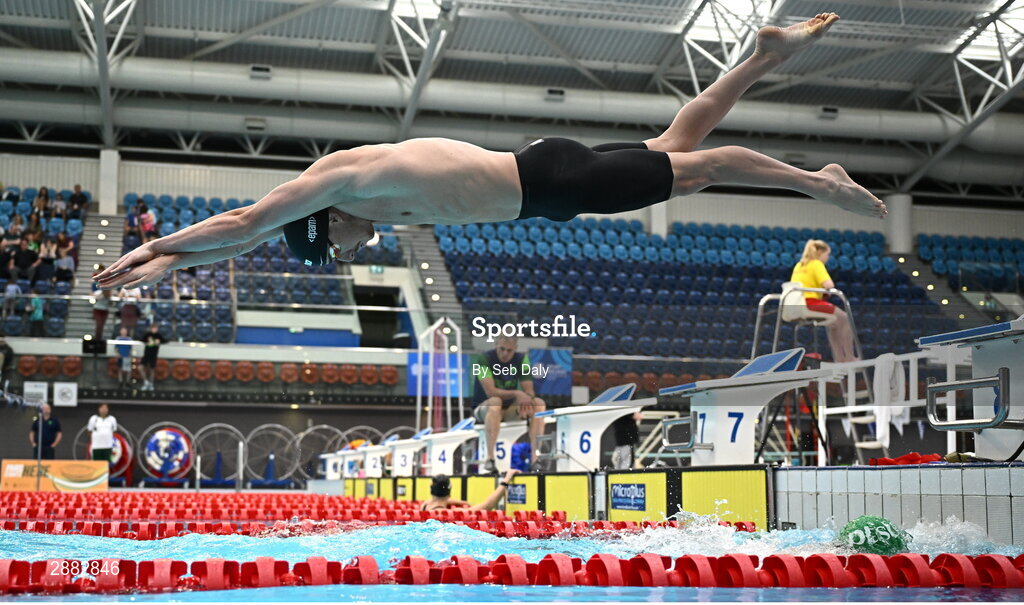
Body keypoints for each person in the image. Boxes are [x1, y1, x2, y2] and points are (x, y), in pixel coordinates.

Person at [94, 13, 886, 290]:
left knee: (706, 165)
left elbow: (247, 220)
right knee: (679, 143)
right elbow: (254, 231)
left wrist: (160, 243)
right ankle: (766, 57)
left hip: (550, 179)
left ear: (322, 222)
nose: (352, 249)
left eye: (336, 247)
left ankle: (818, 183)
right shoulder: (341, 191)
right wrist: (170, 262)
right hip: (545, 172)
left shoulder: (340, 188)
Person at [472, 335, 546, 473]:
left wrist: (526, 403)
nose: (505, 354)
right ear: (496, 345)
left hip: (509, 410)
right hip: (484, 408)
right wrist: (518, 394)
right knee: (495, 402)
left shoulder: (521, 359)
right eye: (502, 349)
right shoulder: (483, 360)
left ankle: (535, 459)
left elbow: (529, 391)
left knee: (539, 404)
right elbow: (490, 392)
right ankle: (490, 458)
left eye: (509, 351)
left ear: (515, 349)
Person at [790, 239, 858, 363]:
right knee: (845, 318)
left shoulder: (799, 265)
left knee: (834, 323)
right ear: (820, 252)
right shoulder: (816, 263)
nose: (828, 257)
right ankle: (849, 357)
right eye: (827, 254)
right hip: (809, 302)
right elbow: (829, 285)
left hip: (795, 304)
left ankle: (839, 358)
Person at [420, 469, 520, 512]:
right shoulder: (447, 513)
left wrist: (465, 502)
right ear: (449, 492)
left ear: (431, 490)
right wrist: (507, 479)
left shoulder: (425, 505)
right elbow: (487, 506)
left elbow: (442, 500)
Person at [139, 322, 166, 391]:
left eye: (155, 328)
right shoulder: (148, 334)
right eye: (153, 328)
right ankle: (146, 382)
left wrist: (159, 342)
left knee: (151, 369)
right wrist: (147, 342)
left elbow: (165, 341)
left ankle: (151, 384)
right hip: (146, 354)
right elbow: (141, 339)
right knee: (140, 367)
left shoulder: (158, 335)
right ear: (151, 329)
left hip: (153, 355)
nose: (154, 329)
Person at [91, 266, 112, 338]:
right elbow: (93, 294)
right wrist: (98, 296)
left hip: (105, 308)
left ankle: (99, 338)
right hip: (97, 308)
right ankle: (97, 338)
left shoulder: (107, 283)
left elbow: (108, 295)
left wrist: (101, 295)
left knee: (101, 325)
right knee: (99, 324)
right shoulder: (95, 283)